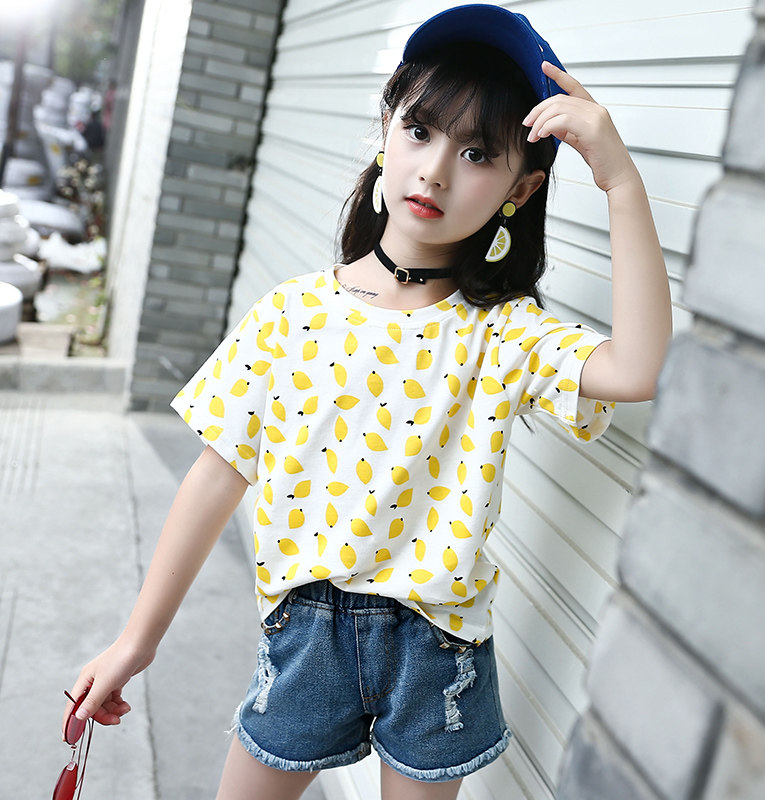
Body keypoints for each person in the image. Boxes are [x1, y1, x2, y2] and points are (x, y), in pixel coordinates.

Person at [65, 5, 672, 799]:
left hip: (438, 653)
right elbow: (217, 476)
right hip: (305, 637)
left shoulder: (502, 334)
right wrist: (136, 642)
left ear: (522, 188)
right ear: (387, 129)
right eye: (420, 130)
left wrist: (620, 180)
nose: (436, 170)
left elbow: (637, 368)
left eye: (477, 153)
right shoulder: (292, 314)